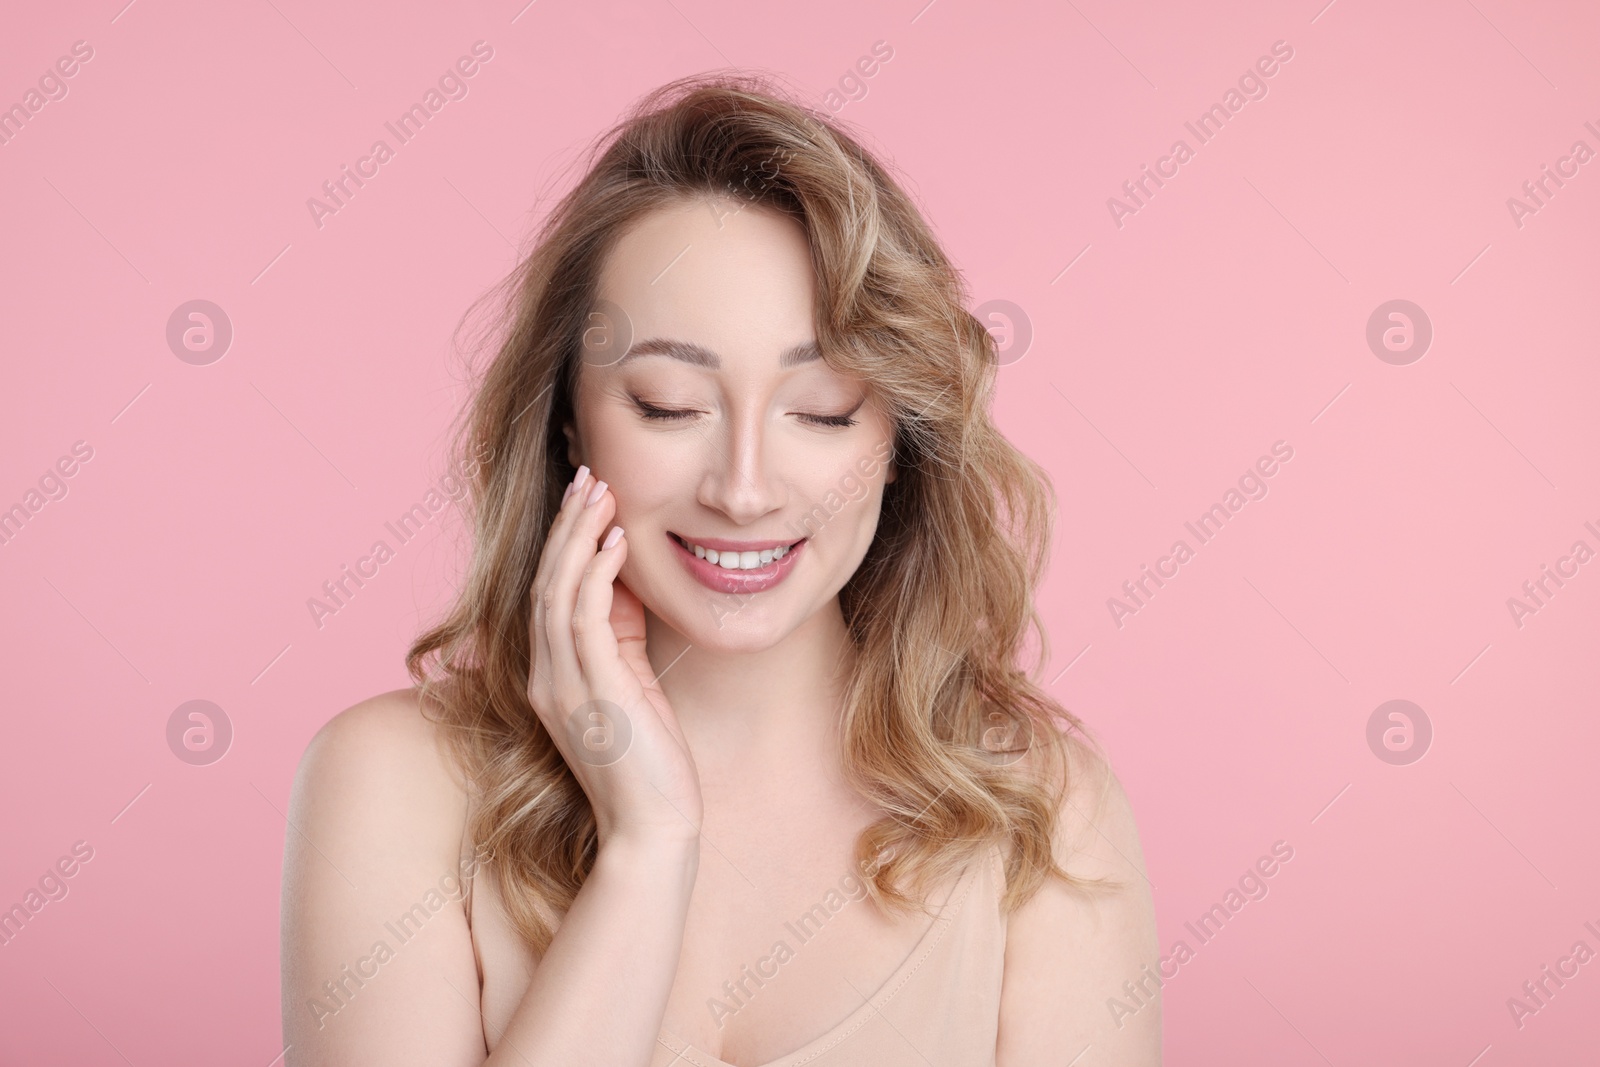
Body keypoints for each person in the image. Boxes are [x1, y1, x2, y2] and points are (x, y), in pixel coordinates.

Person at [280, 72, 1160, 1066]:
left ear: (901, 437)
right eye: (667, 402)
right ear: (568, 416)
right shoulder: (392, 781)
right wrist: (646, 852)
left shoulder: (1041, 810)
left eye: (822, 407)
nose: (744, 489)